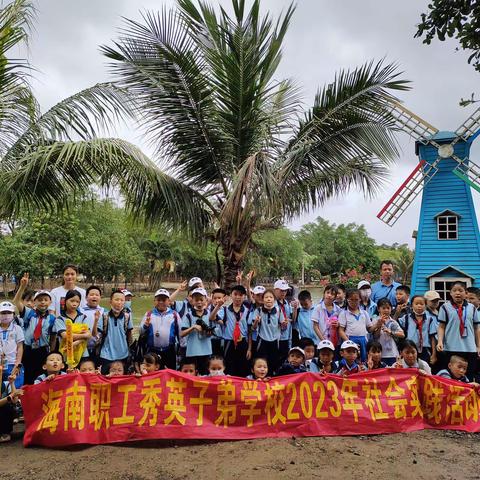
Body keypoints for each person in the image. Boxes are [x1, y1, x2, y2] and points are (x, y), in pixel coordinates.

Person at [14, 276, 57, 385]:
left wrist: (51, 353)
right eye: (40, 300)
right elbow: (16, 301)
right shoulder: (29, 313)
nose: (43, 302)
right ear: (34, 302)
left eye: (45, 300)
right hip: (28, 349)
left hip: (42, 350)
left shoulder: (52, 318)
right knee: (27, 374)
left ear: (50, 302)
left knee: (40, 375)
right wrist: (22, 287)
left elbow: (53, 338)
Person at [437, 282, 480, 380]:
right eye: (454, 290)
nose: (457, 293)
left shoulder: (472, 308)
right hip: (451, 347)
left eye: (460, 290)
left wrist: (478, 346)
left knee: (468, 376)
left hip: (469, 348)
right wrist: (440, 341)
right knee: (450, 377)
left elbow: (476, 328)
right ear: (450, 293)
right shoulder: (445, 307)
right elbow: (441, 326)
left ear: (466, 293)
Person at [212, 284, 251, 377]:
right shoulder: (225, 310)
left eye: (241, 295)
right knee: (229, 369)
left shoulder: (247, 311)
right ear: (230, 295)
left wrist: (249, 348)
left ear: (244, 297)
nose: (238, 297)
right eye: (235, 294)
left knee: (242, 368)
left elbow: (250, 331)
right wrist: (218, 306)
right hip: (228, 343)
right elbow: (212, 317)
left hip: (243, 343)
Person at [139, 289, 180, 370]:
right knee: (152, 374)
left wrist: (181, 349)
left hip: (169, 350)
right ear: (154, 301)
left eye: (164, 300)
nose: (161, 302)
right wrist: (145, 326)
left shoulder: (174, 314)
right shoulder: (149, 314)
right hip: (152, 350)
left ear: (168, 301)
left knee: (169, 374)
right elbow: (140, 332)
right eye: (158, 300)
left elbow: (180, 333)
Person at [94, 290, 133, 374]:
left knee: (122, 381)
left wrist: (131, 351)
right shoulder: (104, 316)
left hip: (123, 354)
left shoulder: (127, 317)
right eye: (116, 299)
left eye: (122, 300)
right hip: (106, 354)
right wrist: (96, 321)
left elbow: (129, 335)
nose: (119, 302)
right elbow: (96, 334)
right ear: (110, 301)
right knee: (105, 380)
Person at [180, 288, 217, 375]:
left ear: (206, 300)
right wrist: (193, 327)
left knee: (205, 375)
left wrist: (209, 333)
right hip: (192, 351)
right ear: (192, 301)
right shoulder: (188, 315)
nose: (199, 302)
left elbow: (214, 330)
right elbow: (182, 333)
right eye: (196, 300)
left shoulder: (210, 314)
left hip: (206, 351)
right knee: (192, 375)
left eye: (201, 299)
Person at [55, 290, 91, 367]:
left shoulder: (83, 317)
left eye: (77, 302)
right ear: (65, 301)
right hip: (66, 355)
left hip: (83, 354)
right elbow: (65, 335)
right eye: (72, 301)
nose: (74, 304)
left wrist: (74, 343)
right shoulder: (60, 319)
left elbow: (89, 335)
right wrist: (83, 335)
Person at [251, 289, 281, 375]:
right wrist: (256, 321)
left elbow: (283, 326)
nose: (268, 299)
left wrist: (284, 323)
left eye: (271, 297)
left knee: (273, 363)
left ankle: (271, 382)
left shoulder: (278, 310)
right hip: (262, 340)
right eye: (266, 297)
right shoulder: (258, 310)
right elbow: (253, 328)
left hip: (274, 340)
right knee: (261, 363)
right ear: (263, 299)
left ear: (274, 300)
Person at [398, 295, 436, 364]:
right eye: (416, 304)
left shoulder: (430, 319)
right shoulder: (406, 318)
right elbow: (395, 324)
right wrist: (397, 313)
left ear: (425, 305)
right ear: (412, 306)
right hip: (409, 348)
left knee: (424, 369)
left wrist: (434, 354)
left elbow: (432, 337)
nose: (419, 306)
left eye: (421, 304)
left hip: (425, 349)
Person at [338, 289, 373, 362]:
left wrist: (378, 324)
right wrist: (349, 343)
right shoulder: (344, 313)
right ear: (347, 300)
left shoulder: (364, 313)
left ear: (360, 299)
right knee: (350, 360)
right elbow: (341, 330)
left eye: (356, 299)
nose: (354, 302)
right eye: (351, 300)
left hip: (363, 340)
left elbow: (370, 329)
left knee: (363, 361)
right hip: (350, 340)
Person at [370, 297, 404, 366]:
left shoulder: (393, 322)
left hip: (393, 353)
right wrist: (379, 325)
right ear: (378, 309)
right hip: (379, 353)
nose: (386, 310)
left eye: (388, 308)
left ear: (391, 309)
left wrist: (391, 332)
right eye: (383, 308)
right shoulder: (375, 320)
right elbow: (375, 336)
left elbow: (402, 334)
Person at [0, 302, 24, 388]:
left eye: (9, 312)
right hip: (0, 365)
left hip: (13, 364)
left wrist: (17, 364)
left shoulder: (17, 328)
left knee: (15, 389)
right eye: (3, 313)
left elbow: (20, 347)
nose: (6, 315)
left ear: (13, 314)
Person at [81, 285, 104, 359]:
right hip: (83, 346)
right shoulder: (80, 311)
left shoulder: (104, 312)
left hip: (99, 347)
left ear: (100, 297)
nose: (94, 297)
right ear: (86, 297)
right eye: (91, 295)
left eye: (97, 295)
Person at [274, 280, 292, 363]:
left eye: (285, 290)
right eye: (281, 290)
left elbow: (291, 318)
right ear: (275, 290)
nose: (283, 292)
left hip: (286, 336)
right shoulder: (272, 303)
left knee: (285, 359)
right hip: (276, 337)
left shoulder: (287, 303)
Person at [0, 376, 23, 443]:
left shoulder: (5, 384)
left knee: (7, 407)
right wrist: (10, 396)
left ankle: (5, 433)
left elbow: (15, 401)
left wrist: (12, 383)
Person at [209, 288, 227, 355]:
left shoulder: (226, 309)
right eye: (214, 298)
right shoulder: (208, 309)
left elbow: (224, 322)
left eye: (219, 298)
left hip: (222, 339)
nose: (217, 300)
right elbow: (211, 318)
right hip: (211, 339)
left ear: (224, 298)